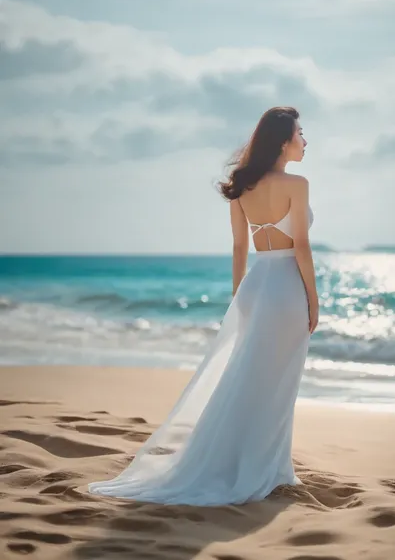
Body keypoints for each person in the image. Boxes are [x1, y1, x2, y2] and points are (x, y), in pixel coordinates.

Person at [88, 106, 319, 506]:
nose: (305, 139)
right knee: (277, 383)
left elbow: (238, 248)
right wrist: (313, 301)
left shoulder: (241, 185)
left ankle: (253, 463)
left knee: (248, 381)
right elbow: (300, 246)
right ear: (284, 141)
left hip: (255, 286)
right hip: (284, 289)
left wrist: (239, 300)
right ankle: (269, 469)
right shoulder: (296, 184)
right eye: (300, 133)